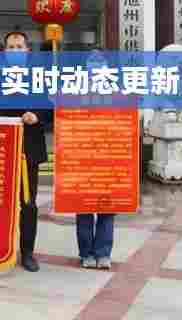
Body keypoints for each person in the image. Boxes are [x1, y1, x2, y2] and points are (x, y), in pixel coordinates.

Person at [0, 31, 51, 272]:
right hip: (0, 150)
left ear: (27, 51)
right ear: (4, 52)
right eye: (11, 47)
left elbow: (51, 109)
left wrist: (36, 115)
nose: (15, 51)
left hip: (28, 151)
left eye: (19, 47)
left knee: (28, 204)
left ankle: (28, 252)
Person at [76, 49, 115, 270]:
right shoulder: (75, 90)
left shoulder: (117, 92)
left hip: (109, 158)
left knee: (107, 209)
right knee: (84, 208)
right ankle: (86, 253)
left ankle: (103, 253)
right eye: (92, 60)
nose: (96, 65)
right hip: (82, 158)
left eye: (100, 60)